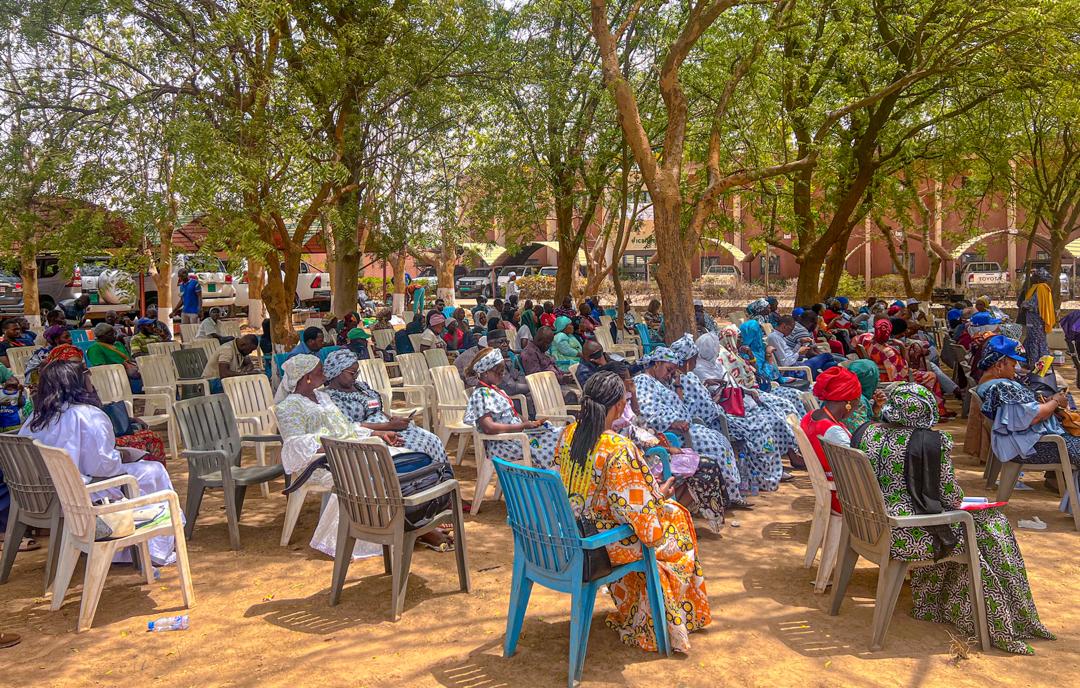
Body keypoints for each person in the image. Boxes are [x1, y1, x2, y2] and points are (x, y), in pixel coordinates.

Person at [857, 383, 1054, 654]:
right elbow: (950, 500)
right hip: (904, 535)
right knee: (993, 525)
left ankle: (940, 603)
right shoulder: (931, 444)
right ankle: (1011, 620)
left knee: (976, 526)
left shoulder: (866, 433)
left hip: (867, 526)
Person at [552, 371, 711, 652]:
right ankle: (661, 619)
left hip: (565, 535)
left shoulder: (569, 434)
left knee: (667, 517)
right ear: (616, 406)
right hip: (598, 546)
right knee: (676, 524)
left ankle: (642, 611)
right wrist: (660, 494)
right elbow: (645, 526)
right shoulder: (617, 449)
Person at [18, 351, 178, 564]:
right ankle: (153, 548)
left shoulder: (35, 418)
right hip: (80, 495)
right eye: (87, 377)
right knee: (152, 471)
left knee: (141, 471)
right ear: (78, 384)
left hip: (42, 496)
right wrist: (120, 457)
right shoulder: (88, 415)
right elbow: (104, 469)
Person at [275, 355, 401, 560]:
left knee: (384, 463)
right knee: (365, 471)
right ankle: (360, 535)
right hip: (316, 463)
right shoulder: (289, 407)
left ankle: (385, 526)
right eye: (319, 371)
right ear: (306, 377)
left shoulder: (322, 397)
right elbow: (295, 445)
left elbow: (344, 428)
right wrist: (333, 444)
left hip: (342, 453)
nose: (324, 375)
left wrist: (375, 433)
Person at [670, 334, 790, 494]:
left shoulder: (695, 373)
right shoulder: (687, 376)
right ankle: (760, 478)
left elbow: (704, 398)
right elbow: (697, 406)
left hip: (719, 411)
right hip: (715, 417)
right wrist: (716, 395)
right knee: (755, 429)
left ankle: (768, 473)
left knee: (764, 422)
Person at [633, 346, 738, 522]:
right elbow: (646, 411)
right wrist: (673, 422)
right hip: (670, 433)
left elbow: (677, 402)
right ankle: (719, 499)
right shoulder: (644, 381)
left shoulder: (660, 382)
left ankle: (726, 495)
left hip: (683, 428)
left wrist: (676, 381)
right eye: (668, 370)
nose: (669, 375)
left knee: (718, 441)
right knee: (714, 449)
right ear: (656, 363)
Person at [322, 349, 450, 468]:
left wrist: (393, 419)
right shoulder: (331, 398)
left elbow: (376, 408)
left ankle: (441, 478)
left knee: (432, 439)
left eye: (357, 372)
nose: (356, 376)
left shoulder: (360, 386)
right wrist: (390, 425)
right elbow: (350, 426)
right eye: (352, 373)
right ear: (337, 372)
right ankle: (417, 482)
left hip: (390, 426)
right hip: (375, 435)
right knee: (416, 449)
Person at [973, 335, 1080, 472]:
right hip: (1034, 447)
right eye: (1012, 365)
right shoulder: (1002, 387)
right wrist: (1055, 401)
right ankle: (1067, 486)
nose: (1016, 368)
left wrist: (1046, 403)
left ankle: (1062, 483)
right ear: (999, 365)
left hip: (1027, 443)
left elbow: (1023, 412)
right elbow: (1033, 416)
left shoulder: (988, 384)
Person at [464, 348, 563, 470]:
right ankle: (553, 478)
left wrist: (530, 423)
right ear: (485, 372)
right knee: (552, 447)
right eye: (499, 372)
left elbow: (511, 414)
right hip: (504, 444)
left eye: (503, 371)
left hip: (515, 437)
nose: (502, 374)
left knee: (557, 433)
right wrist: (522, 426)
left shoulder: (494, 389)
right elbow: (489, 428)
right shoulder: (481, 395)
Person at [800, 365, 863, 514]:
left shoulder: (811, 416)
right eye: (856, 401)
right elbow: (856, 470)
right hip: (843, 498)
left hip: (829, 490)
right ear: (848, 403)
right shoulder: (834, 432)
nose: (856, 405)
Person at [867, 318, 951, 417]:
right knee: (931, 376)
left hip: (880, 374)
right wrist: (902, 347)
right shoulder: (888, 351)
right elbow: (903, 372)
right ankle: (937, 411)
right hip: (890, 377)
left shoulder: (867, 340)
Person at [769, 315, 838, 376]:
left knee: (831, 364)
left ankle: (831, 378)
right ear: (784, 326)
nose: (791, 332)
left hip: (795, 366)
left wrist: (799, 343)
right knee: (827, 356)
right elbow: (785, 363)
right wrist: (798, 353)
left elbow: (789, 354)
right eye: (791, 329)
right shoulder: (774, 338)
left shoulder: (780, 337)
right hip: (793, 371)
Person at [85, 323, 142, 392]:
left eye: (115, 333)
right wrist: (121, 366)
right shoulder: (95, 348)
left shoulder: (118, 344)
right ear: (101, 336)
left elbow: (128, 358)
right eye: (111, 334)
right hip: (111, 381)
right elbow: (100, 369)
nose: (115, 336)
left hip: (128, 375)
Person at [1019, 268, 1057, 366]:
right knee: (1037, 339)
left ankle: (1035, 364)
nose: (1032, 278)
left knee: (1035, 340)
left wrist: (1024, 304)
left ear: (1038, 279)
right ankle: (1039, 363)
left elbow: (1033, 304)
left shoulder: (1040, 288)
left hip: (1035, 320)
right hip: (1036, 320)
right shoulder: (1043, 287)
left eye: (1034, 277)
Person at [842, 358, 884, 433]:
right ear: (868, 381)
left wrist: (875, 410)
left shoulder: (841, 391)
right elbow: (861, 434)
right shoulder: (856, 401)